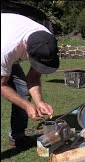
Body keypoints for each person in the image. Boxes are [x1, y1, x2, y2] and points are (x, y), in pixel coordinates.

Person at [1, 13, 60, 148]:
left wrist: (39, 102)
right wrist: (27, 106)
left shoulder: (46, 40)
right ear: (26, 46)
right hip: (4, 49)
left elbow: (33, 76)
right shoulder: (6, 48)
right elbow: (1, 85)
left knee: (22, 92)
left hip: (11, 52)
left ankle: (17, 137)